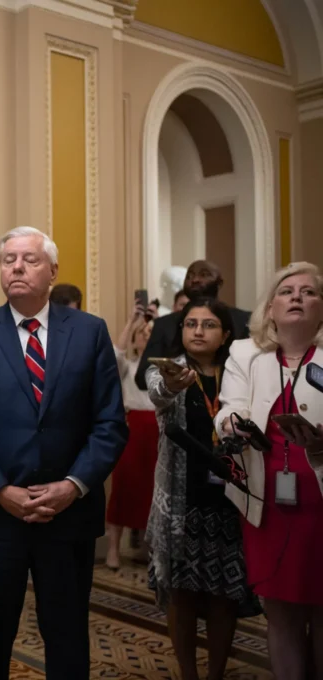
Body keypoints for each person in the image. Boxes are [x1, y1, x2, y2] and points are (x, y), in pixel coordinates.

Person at [0, 226, 127, 679]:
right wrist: (0, 489)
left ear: (53, 271)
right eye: (8, 260)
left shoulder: (90, 332)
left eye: (28, 259)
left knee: (66, 638)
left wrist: (73, 485)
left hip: (68, 516)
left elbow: (109, 424)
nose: (17, 267)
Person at [216, 262, 323, 680]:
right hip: (268, 502)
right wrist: (230, 423)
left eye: (308, 291)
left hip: (319, 500)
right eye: (287, 291)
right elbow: (230, 406)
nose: (297, 297)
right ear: (270, 308)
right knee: (279, 611)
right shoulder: (246, 354)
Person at [145, 298, 258, 680]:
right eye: (190, 323)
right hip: (182, 502)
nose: (197, 331)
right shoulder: (168, 370)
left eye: (208, 325)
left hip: (231, 501)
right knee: (183, 595)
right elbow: (158, 393)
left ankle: (216, 675)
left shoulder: (239, 373)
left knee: (225, 595)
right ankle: (190, 675)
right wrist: (171, 385)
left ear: (226, 334)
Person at [136, 260, 250, 390]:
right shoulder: (164, 324)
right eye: (189, 276)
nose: (195, 279)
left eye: (204, 274)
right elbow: (142, 377)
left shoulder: (243, 319)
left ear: (220, 283)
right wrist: (168, 382)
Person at [105, 302, 157, 570]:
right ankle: (113, 549)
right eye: (142, 334)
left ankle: (150, 550)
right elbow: (115, 354)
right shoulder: (128, 365)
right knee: (124, 488)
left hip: (158, 432)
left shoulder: (162, 366)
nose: (145, 338)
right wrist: (132, 320)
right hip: (133, 429)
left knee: (153, 490)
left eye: (150, 334)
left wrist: (159, 329)